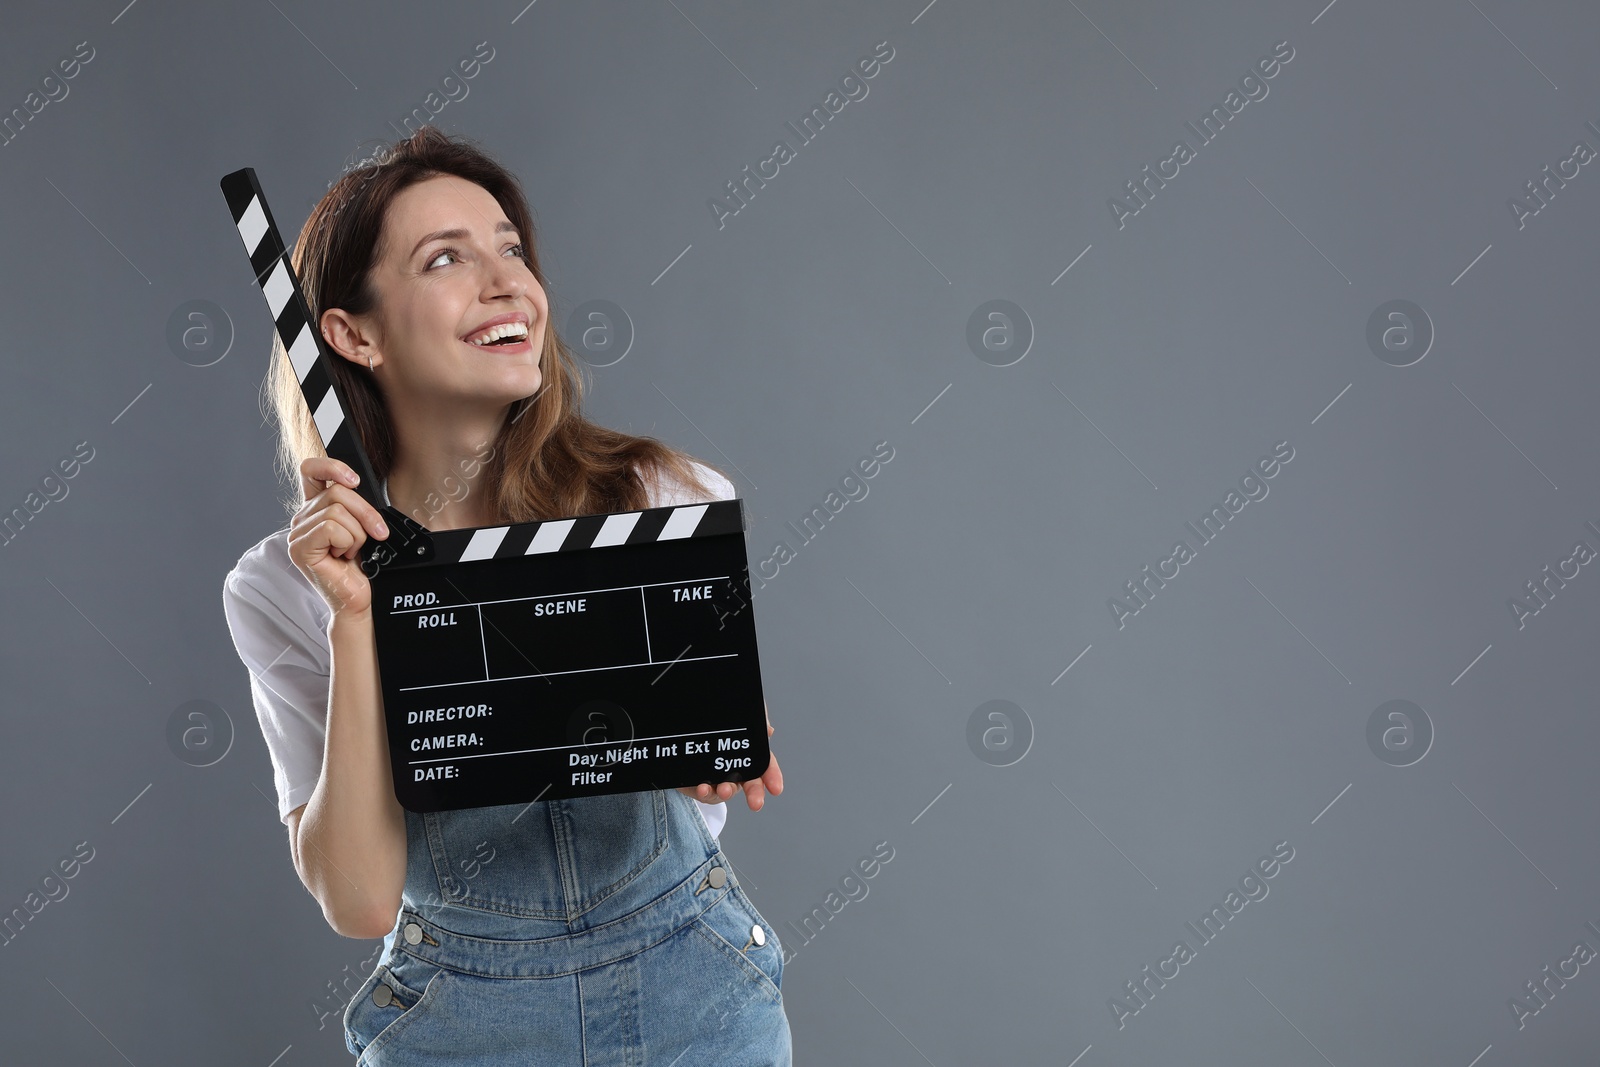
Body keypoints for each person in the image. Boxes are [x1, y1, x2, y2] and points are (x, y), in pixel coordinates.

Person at [220, 126, 791, 1064]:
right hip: (460, 1027)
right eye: (446, 258)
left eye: (511, 248)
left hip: (697, 1000)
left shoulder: (662, 502)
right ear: (350, 334)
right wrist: (358, 618)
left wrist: (714, 749)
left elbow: (711, 783)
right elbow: (360, 899)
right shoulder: (283, 585)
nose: (507, 283)